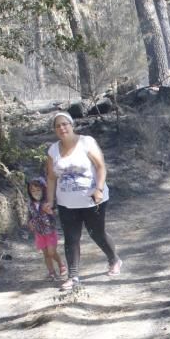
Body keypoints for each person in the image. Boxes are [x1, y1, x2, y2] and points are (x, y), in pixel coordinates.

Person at [43, 112, 122, 290]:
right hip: (66, 203)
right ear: (55, 130)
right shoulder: (53, 150)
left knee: (97, 233)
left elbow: (101, 166)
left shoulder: (86, 142)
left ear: (71, 125)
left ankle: (114, 259)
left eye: (65, 124)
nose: (62, 128)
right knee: (71, 238)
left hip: (92, 199)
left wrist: (99, 189)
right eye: (58, 126)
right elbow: (51, 178)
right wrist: (50, 200)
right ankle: (73, 276)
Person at [25, 175, 67, 280]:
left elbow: (55, 215)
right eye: (33, 190)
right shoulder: (30, 204)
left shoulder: (48, 203)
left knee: (51, 252)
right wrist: (29, 222)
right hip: (39, 233)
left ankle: (61, 264)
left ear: (43, 190)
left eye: (38, 190)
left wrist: (51, 213)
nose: (35, 192)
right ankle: (51, 272)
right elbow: (29, 216)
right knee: (46, 254)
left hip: (50, 232)